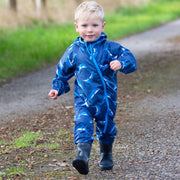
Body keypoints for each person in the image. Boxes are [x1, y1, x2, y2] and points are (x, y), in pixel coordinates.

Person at [48, 1, 137, 175]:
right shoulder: (74, 51)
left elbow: (130, 58)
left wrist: (121, 63)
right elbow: (62, 72)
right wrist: (57, 87)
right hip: (84, 99)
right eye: (85, 25)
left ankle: (106, 153)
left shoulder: (111, 48)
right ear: (76, 27)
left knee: (106, 127)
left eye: (94, 25)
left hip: (106, 100)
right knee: (82, 123)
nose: (90, 30)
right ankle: (82, 157)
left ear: (103, 26)